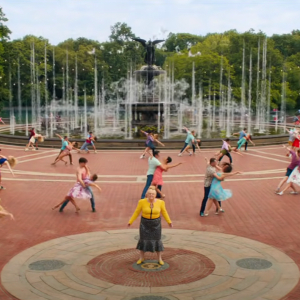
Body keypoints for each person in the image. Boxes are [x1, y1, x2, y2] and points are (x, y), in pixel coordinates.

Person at [128, 186, 172, 265]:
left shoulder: (161, 202)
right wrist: (130, 221)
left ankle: (159, 258)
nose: (151, 195)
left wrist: (169, 221)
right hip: (145, 223)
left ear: (155, 195)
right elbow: (136, 212)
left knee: (157, 240)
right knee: (143, 240)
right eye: (150, 194)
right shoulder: (141, 202)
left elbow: (164, 212)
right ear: (147, 195)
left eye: (153, 194)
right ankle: (141, 257)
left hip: (156, 224)